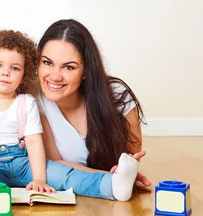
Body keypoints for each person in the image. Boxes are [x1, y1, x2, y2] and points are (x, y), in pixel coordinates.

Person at [0, 30, 141, 213]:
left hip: (24, 164)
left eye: (15, 68)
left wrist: (39, 178)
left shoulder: (28, 103)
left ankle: (111, 185)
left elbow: (33, 142)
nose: (6, 72)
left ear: (24, 76)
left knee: (64, 174)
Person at [36, 19, 151, 187]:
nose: (54, 76)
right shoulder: (35, 100)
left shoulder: (117, 96)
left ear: (86, 71)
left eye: (68, 67)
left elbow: (132, 158)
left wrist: (126, 172)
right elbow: (55, 163)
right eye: (47, 63)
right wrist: (111, 179)